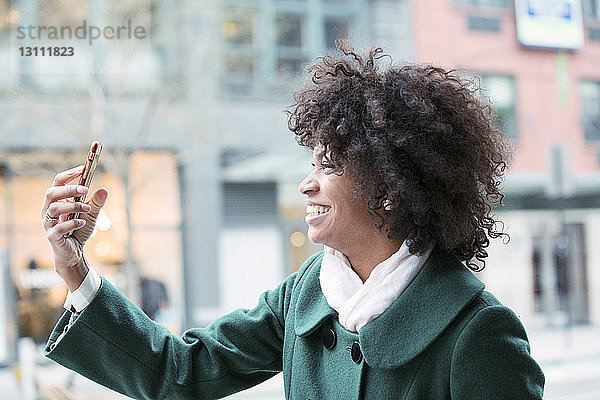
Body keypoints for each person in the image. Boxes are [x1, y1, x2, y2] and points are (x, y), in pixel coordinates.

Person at [41, 41, 544, 399]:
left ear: (391, 190)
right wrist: (74, 269)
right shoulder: (307, 293)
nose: (307, 184)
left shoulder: (479, 332)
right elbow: (180, 372)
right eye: (311, 164)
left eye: (329, 166)